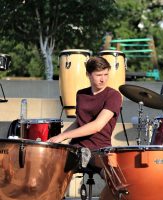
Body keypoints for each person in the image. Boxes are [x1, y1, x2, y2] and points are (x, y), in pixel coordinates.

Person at [48, 56, 122, 200]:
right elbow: (79, 122)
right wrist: (58, 138)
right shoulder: (81, 94)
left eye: (106, 74)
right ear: (88, 74)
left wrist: (63, 136)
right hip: (76, 149)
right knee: (51, 172)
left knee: (117, 180)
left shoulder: (113, 95)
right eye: (98, 75)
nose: (103, 79)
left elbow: (97, 126)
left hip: (99, 150)